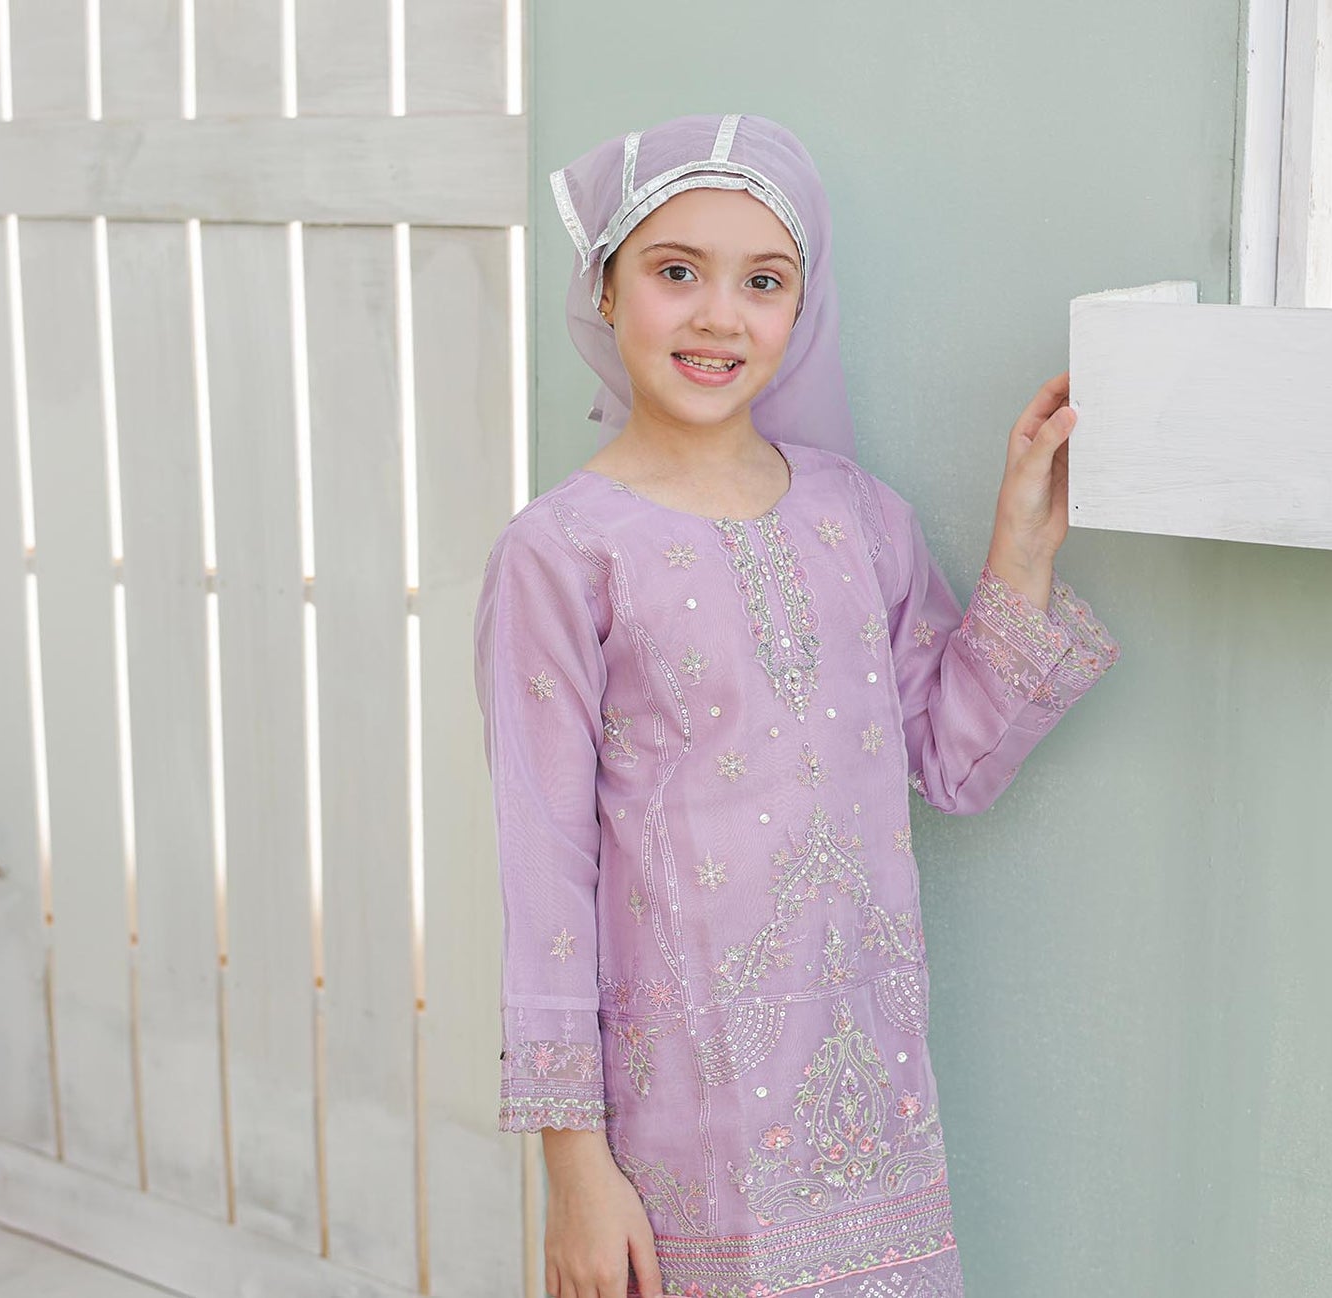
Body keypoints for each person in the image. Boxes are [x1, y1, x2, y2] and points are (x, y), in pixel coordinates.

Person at [473, 112, 1121, 1298]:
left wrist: (1017, 551)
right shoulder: (559, 552)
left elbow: (952, 762)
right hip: (677, 1141)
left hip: (873, 1125)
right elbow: (543, 875)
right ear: (606, 292)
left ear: (798, 310)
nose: (719, 315)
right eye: (676, 273)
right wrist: (575, 1170)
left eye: (761, 281)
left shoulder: (858, 517)